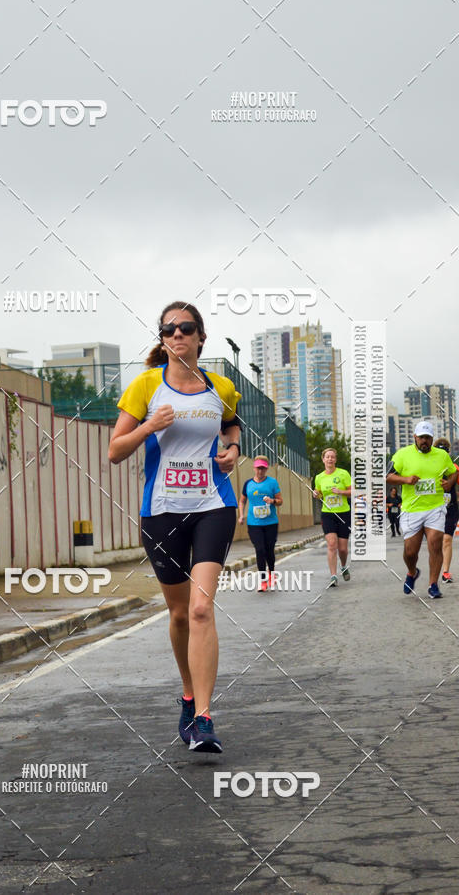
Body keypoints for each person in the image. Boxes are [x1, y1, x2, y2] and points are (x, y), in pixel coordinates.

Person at [108, 301, 242, 754]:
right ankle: (188, 695)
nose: (178, 334)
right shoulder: (146, 385)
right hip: (162, 511)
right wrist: (149, 426)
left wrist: (234, 450)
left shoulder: (220, 385)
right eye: (169, 329)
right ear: (162, 338)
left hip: (213, 505)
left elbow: (231, 425)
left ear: (201, 336)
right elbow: (115, 451)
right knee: (181, 613)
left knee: (203, 609)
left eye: (187, 328)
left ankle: (204, 717)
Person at [386, 421, 457, 599]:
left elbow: (453, 472)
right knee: (410, 552)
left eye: (427, 438)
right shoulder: (402, 455)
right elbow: (388, 476)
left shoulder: (441, 455)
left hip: (435, 508)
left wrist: (449, 483)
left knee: (435, 543)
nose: (424, 441)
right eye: (421, 437)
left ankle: (433, 584)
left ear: (432, 439)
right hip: (412, 509)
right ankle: (412, 572)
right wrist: (406, 479)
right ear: (415, 437)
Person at [238, 457, 283, 591]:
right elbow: (242, 501)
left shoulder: (272, 482)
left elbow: (280, 501)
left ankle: (272, 573)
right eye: (258, 468)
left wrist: (272, 501)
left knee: (269, 550)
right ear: (254, 468)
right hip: (254, 523)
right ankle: (263, 581)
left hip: (270, 522)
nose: (260, 471)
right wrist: (241, 515)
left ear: (266, 468)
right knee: (260, 549)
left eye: (263, 468)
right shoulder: (248, 484)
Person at [312, 448, 352, 587]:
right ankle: (333, 575)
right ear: (323, 459)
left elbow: (352, 491)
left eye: (332, 457)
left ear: (335, 459)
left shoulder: (343, 474)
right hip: (328, 514)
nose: (330, 459)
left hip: (343, 513)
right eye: (327, 457)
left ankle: (344, 565)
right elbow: (319, 492)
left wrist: (341, 491)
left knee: (342, 548)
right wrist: (316, 494)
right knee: (332, 544)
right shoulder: (319, 477)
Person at [433, 438, 459, 584]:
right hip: (433, 509)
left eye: (445, 452)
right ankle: (435, 570)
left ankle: (446, 572)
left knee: (447, 540)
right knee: (435, 542)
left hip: (451, 508)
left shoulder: (454, 468)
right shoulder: (429, 467)